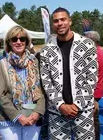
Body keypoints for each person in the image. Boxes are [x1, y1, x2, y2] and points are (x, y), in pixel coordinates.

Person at [40, 7, 98, 140]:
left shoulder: (87, 45)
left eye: (63, 19)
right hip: (57, 112)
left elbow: (92, 78)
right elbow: (46, 81)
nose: (60, 23)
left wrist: (76, 105)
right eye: (56, 21)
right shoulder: (46, 50)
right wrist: (61, 105)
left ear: (70, 21)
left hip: (83, 111)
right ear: (53, 24)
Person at [0, 25, 45, 140]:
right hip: (9, 119)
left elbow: (41, 90)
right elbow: (1, 95)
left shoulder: (34, 61)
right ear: (9, 42)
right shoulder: (1, 65)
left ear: (26, 42)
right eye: (14, 39)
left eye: (22, 39)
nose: (18, 42)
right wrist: (18, 116)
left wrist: (37, 112)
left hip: (32, 116)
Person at [85, 31, 103, 140]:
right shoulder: (99, 51)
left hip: (93, 91)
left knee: (92, 119)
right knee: (93, 119)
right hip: (97, 89)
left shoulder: (93, 53)